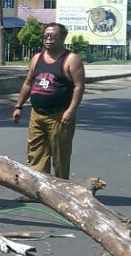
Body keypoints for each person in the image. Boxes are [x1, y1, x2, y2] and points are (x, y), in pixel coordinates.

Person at [12, 22, 86, 179]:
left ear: (63, 38)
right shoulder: (37, 58)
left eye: (54, 36)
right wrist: (19, 106)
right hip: (37, 115)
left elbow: (79, 87)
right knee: (35, 154)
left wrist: (71, 111)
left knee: (60, 155)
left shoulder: (71, 59)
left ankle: (62, 190)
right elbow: (28, 83)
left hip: (59, 116)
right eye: (46, 36)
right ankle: (37, 189)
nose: (49, 39)